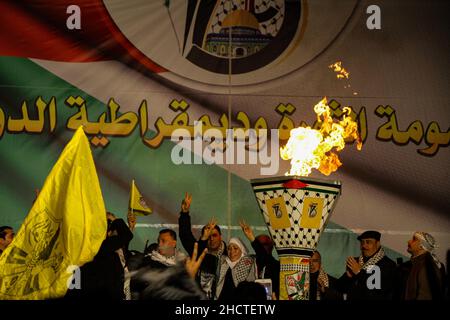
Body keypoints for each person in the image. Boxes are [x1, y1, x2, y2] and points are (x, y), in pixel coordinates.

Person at [65, 212, 134, 300]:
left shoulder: (108, 248)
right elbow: (126, 236)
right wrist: (115, 220)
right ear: (109, 232)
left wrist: (130, 228)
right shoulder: (104, 247)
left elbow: (124, 248)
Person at [178, 192, 227, 299]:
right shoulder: (198, 251)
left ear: (221, 237)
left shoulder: (229, 256)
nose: (211, 238)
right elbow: (185, 235)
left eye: (214, 235)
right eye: (208, 236)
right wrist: (185, 213)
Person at [336, 230, 396, 300]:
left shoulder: (388, 265)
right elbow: (339, 288)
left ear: (378, 244)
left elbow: (378, 293)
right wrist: (348, 276)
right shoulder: (356, 262)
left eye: (368, 242)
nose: (364, 245)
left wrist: (359, 272)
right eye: (362, 242)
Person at [396, 231, 446, 300]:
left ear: (422, 246)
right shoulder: (413, 264)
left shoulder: (427, 267)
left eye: (414, 239)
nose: (409, 241)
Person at [239, 220, 280, 299]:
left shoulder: (276, 266)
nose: (264, 247)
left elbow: (265, 257)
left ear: (272, 246)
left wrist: (252, 238)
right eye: (260, 245)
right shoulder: (248, 263)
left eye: (265, 244)